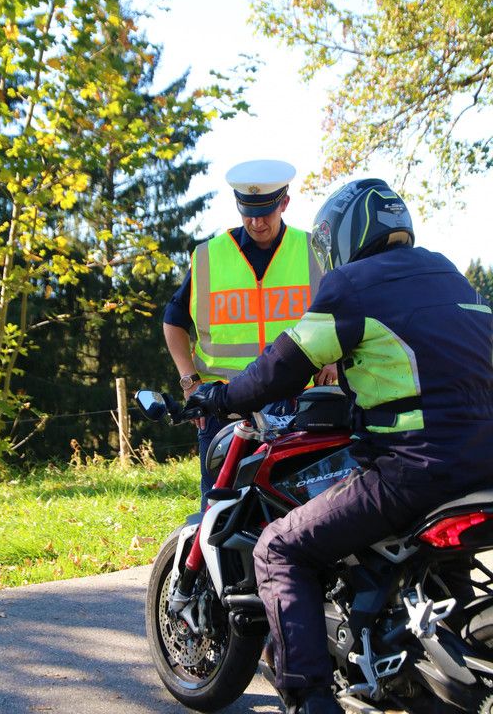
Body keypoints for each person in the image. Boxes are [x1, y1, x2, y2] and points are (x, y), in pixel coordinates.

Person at [185, 178, 493, 714]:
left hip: (417, 467)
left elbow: (284, 364)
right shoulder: (448, 273)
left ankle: (309, 699)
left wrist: (223, 395)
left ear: (346, 237)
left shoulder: (353, 286)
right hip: (484, 464)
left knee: (279, 547)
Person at [163, 159, 325, 510]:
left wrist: (334, 361)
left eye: (265, 212)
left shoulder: (314, 251)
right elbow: (172, 320)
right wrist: (189, 382)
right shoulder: (208, 256)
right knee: (221, 514)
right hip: (223, 406)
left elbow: (342, 314)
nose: (256, 222)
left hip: (298, 403)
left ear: (284, 203)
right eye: (248, 212)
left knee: (297, 514)